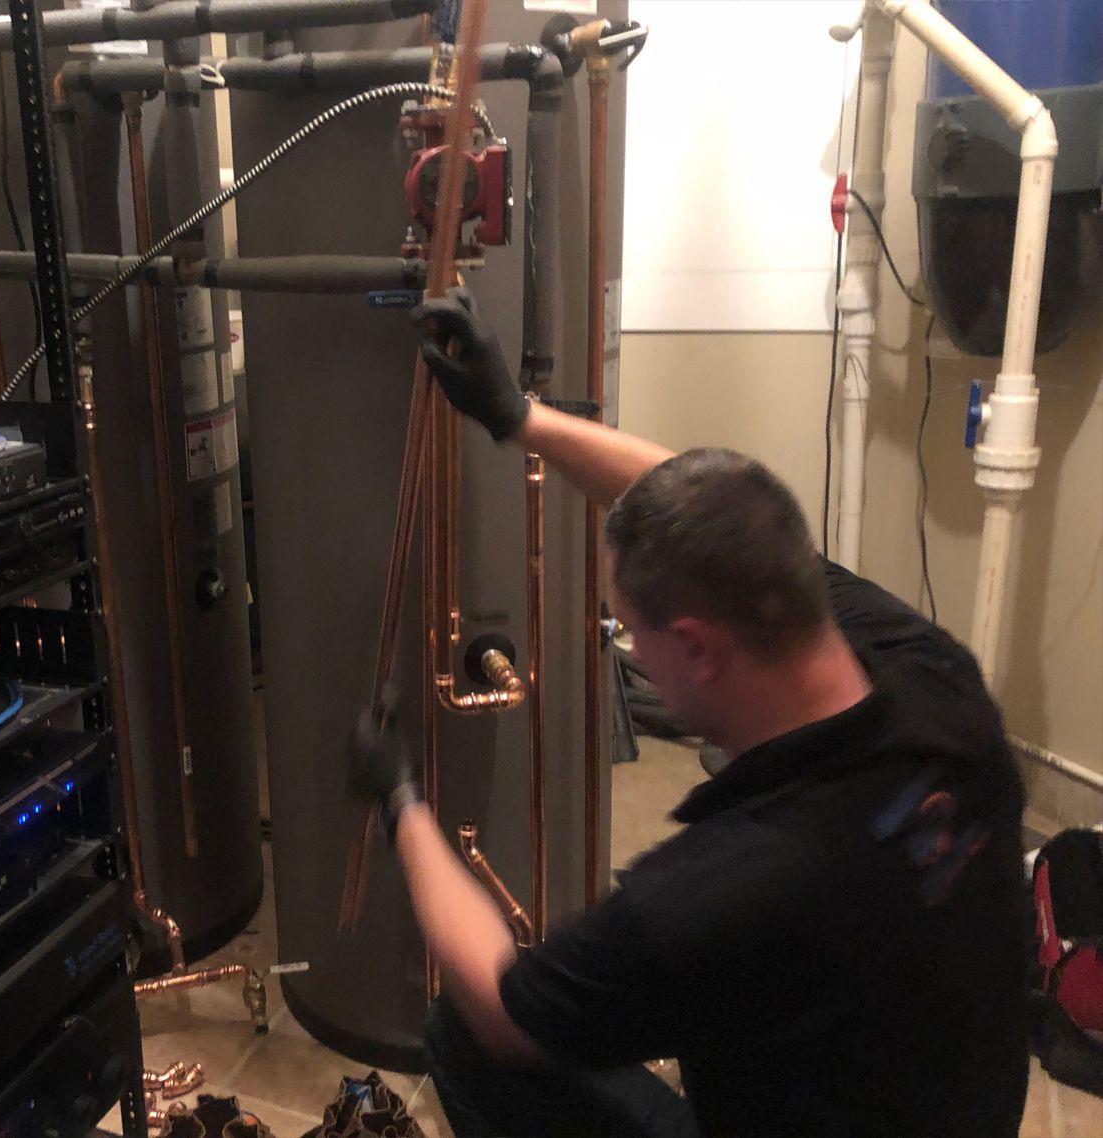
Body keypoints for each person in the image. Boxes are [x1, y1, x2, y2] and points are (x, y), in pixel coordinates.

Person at [346, 289, 1031, 1138]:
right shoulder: (933, 675)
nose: (629, 651)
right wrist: (518, 417)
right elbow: (704, 521)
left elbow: (501, 1009)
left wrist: (402, 801)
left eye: (631, 632)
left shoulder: (722, 892)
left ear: (699, 646)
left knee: (465, 1037)